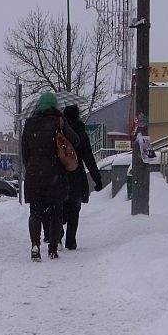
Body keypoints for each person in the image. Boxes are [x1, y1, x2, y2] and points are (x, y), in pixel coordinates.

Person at [21, 91, 79, 260]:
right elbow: (75, 141)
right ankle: (53, 248)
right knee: (56, 212)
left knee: (35, 213)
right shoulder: (59, 121)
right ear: (54, 106)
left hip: (34, 175)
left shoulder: (29, 123)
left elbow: (25, 152)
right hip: (55, 175)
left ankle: (35, 245)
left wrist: (31, 167)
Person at [60, 105, 103, 250]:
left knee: (58, 207)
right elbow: (89, 158)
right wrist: (97, 178)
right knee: (74, 208)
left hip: (60, 176)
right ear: (78, 116)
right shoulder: (82, 133)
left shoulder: (59, 132)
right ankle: (70, 241)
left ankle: (58, 234)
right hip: (76, 176)